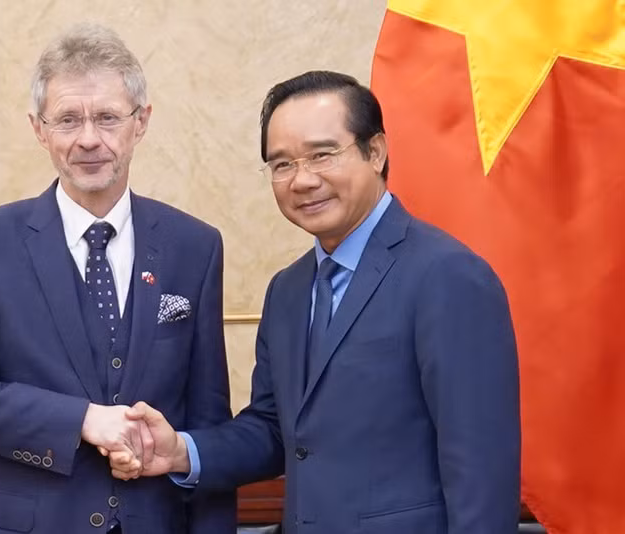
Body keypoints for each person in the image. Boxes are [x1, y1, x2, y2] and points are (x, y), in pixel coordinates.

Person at [110, 71, 521, 534]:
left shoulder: (447, 276)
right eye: (282, 164)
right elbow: (274, 430)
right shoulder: (287, 289)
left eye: (322, 155)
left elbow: (480, 470)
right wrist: (182, 452)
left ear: (376, 152)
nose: (302, 180)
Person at [0, 23, 235, 534]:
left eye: (108, 117)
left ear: (141, 121)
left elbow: (209, 421)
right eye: (67, 119)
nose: (89, 139)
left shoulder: (195, 246)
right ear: (39, 128)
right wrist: (82, 419)